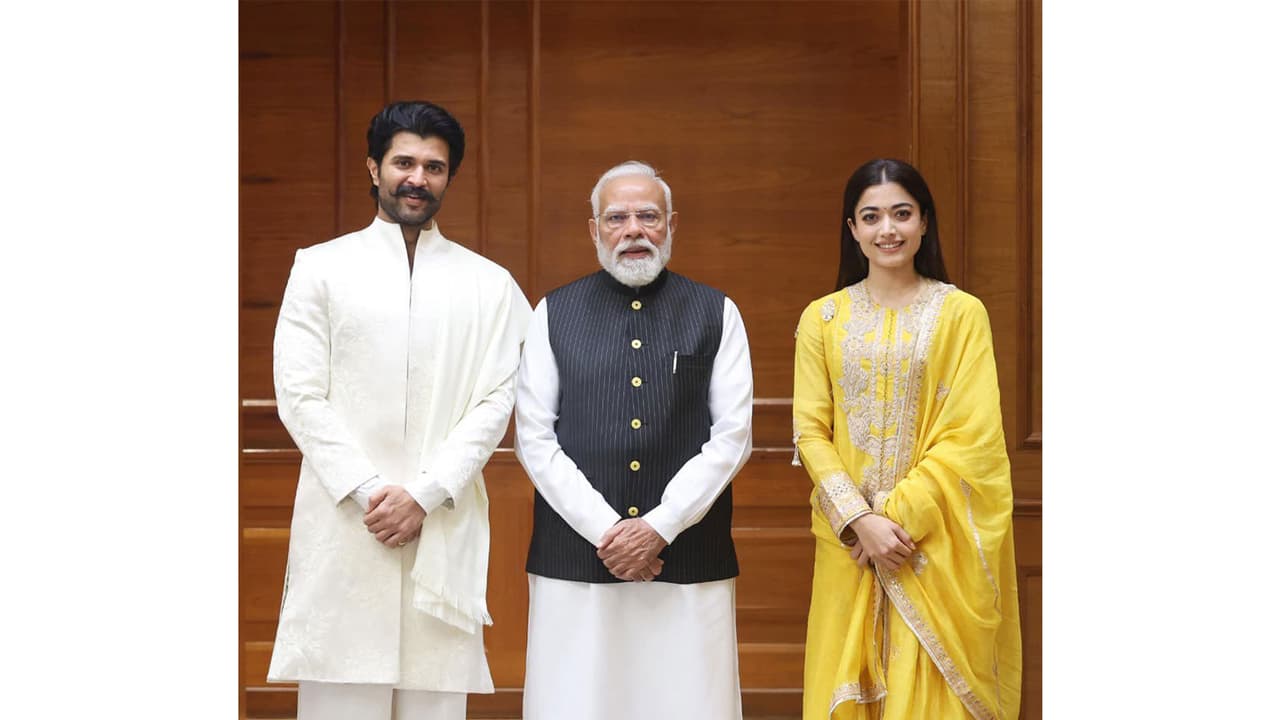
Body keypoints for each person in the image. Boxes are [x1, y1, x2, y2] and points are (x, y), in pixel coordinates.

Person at [266, 100, 532, 720]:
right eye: (404, 163)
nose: (418, 178)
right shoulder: (320, 267)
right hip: (347, 520)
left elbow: (497, 399)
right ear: (374, 168)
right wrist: (373, 494)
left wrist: (425, 494)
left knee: (434, 700)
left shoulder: (488, 284)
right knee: (339, 698)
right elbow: (299, 395)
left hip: (441, 519)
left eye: (434, 167)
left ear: (449, 177)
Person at [514, 161, 754, 719]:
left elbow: (733, 437)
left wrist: (659, 527)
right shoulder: (553, 312)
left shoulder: (716, 311)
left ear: (671, 224)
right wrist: (609, 533)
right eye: (616, 218)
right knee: (576, 702)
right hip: (576, 555)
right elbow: (534, 438)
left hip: (686, 555)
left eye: (648, 216)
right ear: (593, 229)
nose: (633, 230)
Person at [793, 158, 1022, 719]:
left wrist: (893, 521)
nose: (887, 229)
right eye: (871, 217)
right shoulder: (822, 319)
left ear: (924, 222)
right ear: (853, 229)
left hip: (931, 539)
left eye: (901, 213)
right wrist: (860, 520)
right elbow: (809, 429)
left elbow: (972, 436)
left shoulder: (961, 314)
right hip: (850, 543)